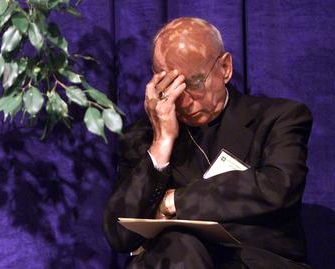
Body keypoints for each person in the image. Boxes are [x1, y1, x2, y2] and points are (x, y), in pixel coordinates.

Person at [103, 17, 313, 268]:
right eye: (172, 87)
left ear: (225, 68)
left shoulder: (278, 118)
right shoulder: (143, 136)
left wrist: (175, 201)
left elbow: (277, 187)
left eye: (194, 83)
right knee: (179, 245)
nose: (185, 102)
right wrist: (162, 142)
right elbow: (119, 234)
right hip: (175, 261)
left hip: (254, 261)